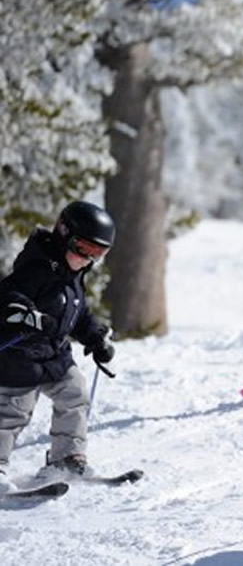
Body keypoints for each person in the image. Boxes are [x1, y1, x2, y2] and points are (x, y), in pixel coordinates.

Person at [0, 201, 117, 493]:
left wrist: (95, 337)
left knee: (75, 394)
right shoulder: (36, 268)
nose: (87, 260)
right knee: (12, 414)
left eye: (97, 254)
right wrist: (31, 317)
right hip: (19, 358)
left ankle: (66, 458)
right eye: (83, 250)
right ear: (64, 235)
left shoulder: (72, 274)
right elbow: (10, 298)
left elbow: (79, 314)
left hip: (54, 356)